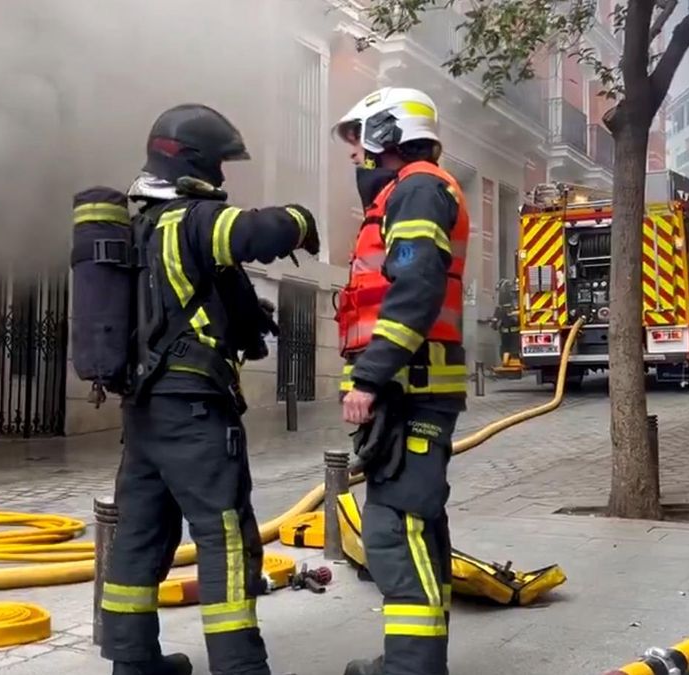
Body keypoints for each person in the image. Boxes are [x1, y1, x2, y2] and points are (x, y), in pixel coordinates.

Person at [98, 103, 320, 675]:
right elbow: (253, 231)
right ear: (194, 161)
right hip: (194, 410)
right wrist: (300, 218)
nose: (223, 176)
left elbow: (179, 300)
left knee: (138, 538)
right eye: (220, 163)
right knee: (225, 535)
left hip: (143, 411)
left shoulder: (136, 226)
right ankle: (240, 666)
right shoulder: (188, 218)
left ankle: (133, 663)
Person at [331, 87, 470, 675]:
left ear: (385, 135)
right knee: (419, 525)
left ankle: (411, 669)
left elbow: (415, 291)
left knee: (393, 527)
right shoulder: (410, 191)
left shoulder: (416, 189)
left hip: (411, 389)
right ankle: (413, 661)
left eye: (358, 142)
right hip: (411, 387)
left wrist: (368, 376)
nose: (352, 157)